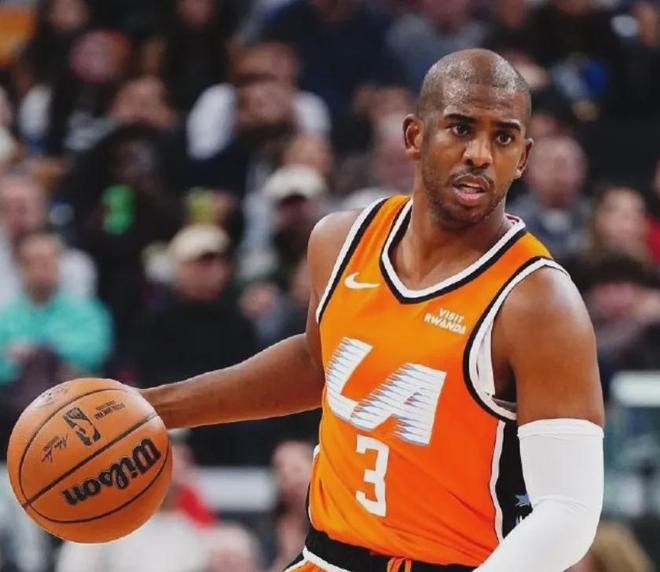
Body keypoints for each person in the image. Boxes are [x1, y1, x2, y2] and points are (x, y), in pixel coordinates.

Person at [142, 49, 604, 571]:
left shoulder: (539, 301)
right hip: (322, 557)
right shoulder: (341, 240)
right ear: (414, 136)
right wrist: (155, 410)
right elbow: (319, 363)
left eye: (503, 137)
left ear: (522, 158)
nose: (479, 154)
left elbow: (568, 512)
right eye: (460, 128)